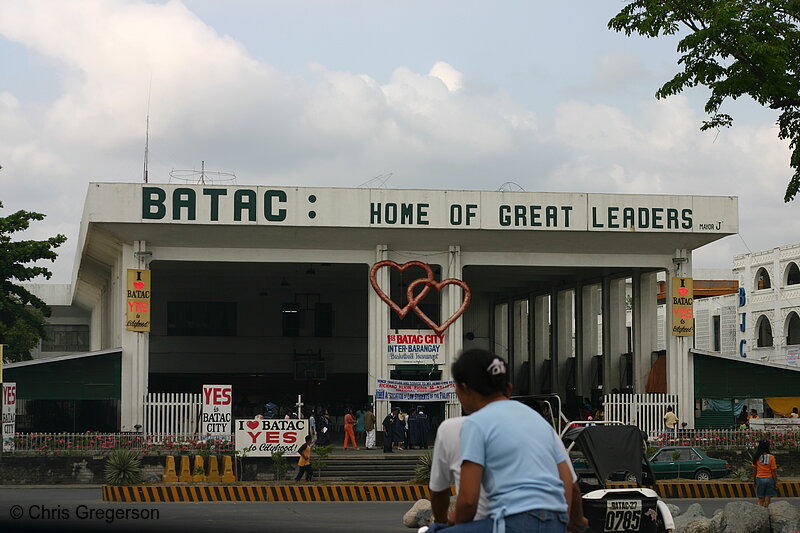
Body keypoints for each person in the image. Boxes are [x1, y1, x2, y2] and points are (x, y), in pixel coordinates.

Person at [433, 349, 575, 533]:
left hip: (513, 522)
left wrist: (456, 523)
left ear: (464, 389)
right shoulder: (537, 420)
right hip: (556, 520)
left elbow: (468, 501)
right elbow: (568, 481)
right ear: (508, 389)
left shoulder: (476, 423)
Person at [753, 440, 778, 507]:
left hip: (760, 478)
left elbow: (754, 470)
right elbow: (773, 470)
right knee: (767, 499)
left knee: (760, 499)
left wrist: (754, 480)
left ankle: (760, 513)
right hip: (769, 479)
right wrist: (775, 482)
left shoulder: (756, 457)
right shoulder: (771, 457)